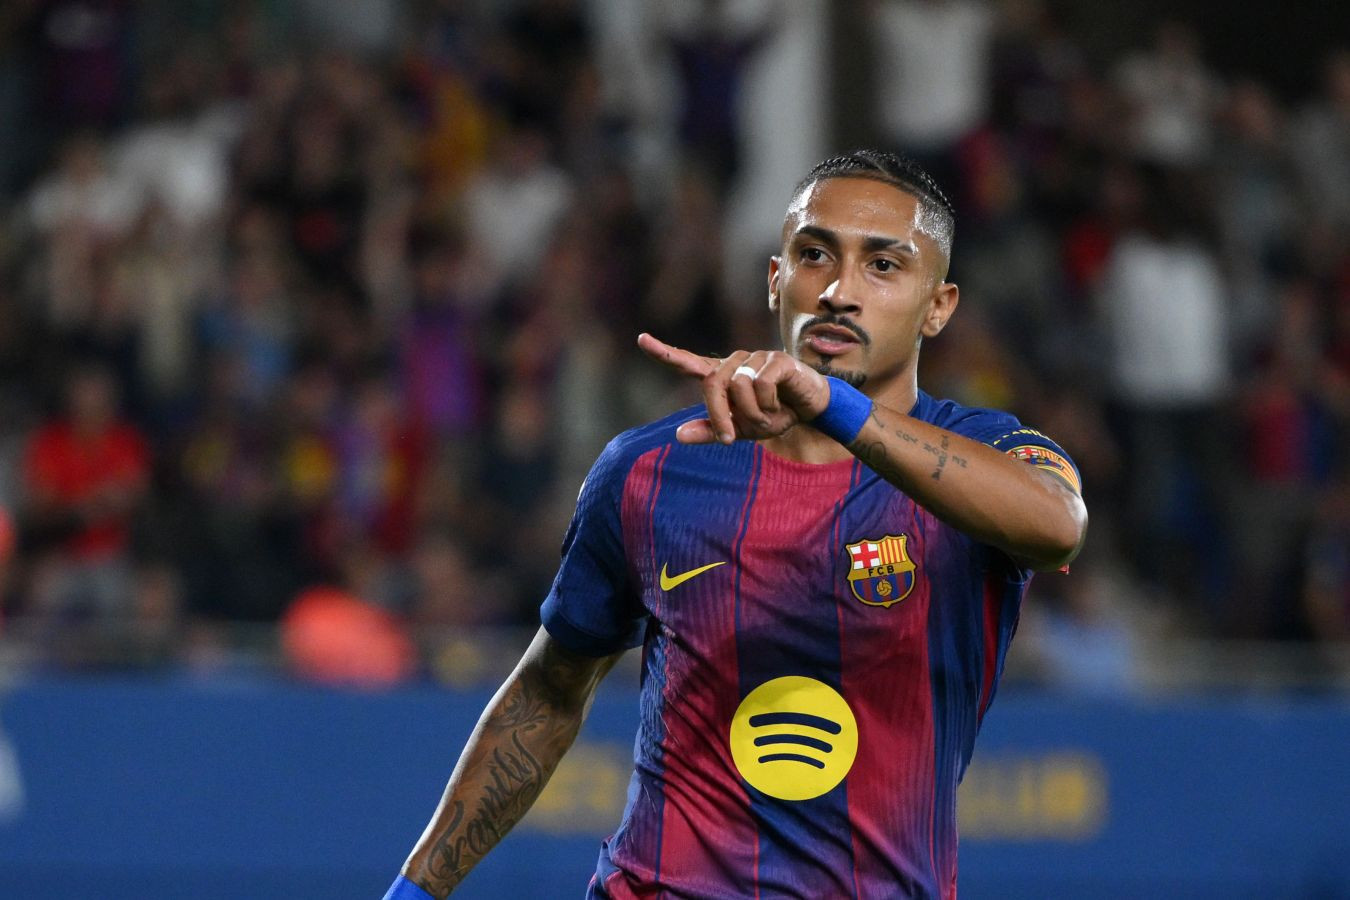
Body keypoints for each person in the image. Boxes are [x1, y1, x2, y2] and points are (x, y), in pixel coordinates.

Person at [382, 150, 1087, 899]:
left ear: (938, 306)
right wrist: (413, 893)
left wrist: (835, 406)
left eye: (883, 266)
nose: (839, 291)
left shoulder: (988, 455)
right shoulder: (649, 470)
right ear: (777, 278)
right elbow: (547, 693)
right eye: (814, 255)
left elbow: (1057, 526)